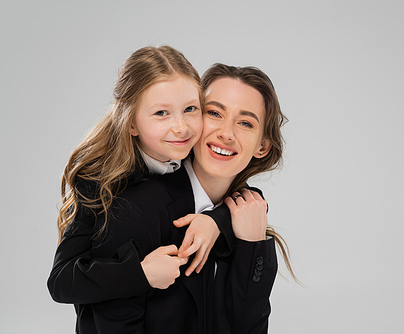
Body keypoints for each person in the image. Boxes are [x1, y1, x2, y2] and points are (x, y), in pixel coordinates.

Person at [48, 51, 295, 333]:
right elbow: (67, 286)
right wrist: (140, 273)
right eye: (214, 112)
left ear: (263, 146)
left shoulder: (248, 216)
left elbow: (249, 325)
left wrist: (231, 229)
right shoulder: (126, 201)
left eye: (245, 122)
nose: (227, 133)